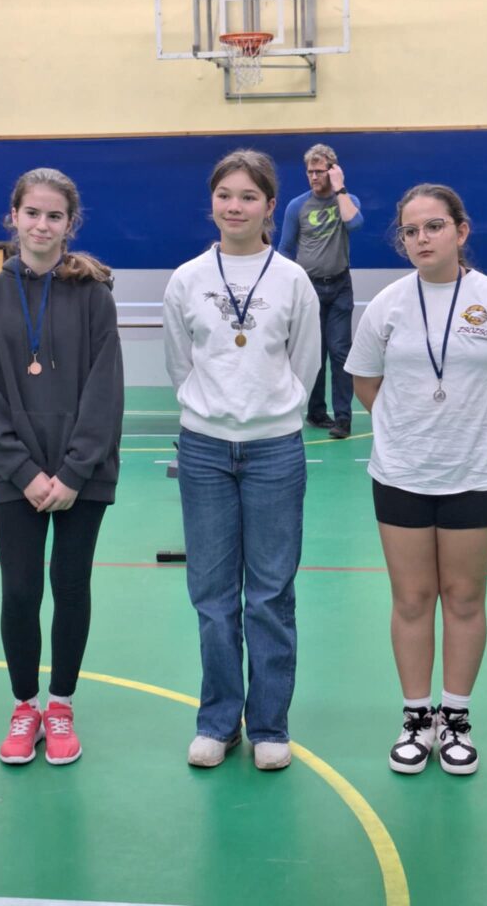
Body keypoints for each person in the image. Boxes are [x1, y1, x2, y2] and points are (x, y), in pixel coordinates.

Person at [345, 183, 487, 775]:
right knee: (411, 599)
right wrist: (404, 430)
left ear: (461, 231)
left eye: (434, 226)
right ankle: (416, 717)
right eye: (410, 231)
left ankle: (455, 717)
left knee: (463, 597)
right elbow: (364, 381)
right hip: (401, 475)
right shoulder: (387, 305)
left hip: (476, 478)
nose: (421, 239)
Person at [163, 149, 320, 771]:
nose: (235, 206)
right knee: (212, 594)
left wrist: (271, 413)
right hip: (204, 450)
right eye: (225, 195)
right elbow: (180, 362)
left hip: (275, 450)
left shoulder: (293, 280)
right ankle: (218, 721)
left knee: (271, 594)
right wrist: (212, 411)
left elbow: (305, 363)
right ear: (212, 202)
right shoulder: (186, 279)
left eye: (248, 196)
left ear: (269, 206)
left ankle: (270, 725)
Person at [0, 167, 124, 767]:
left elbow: (105, 390)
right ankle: (25, 705)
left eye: (54, 215)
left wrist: (75, 472)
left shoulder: (94, 296)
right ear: (14, 216)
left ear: (69, 224)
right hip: (17, 476)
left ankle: (60, 704)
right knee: (20, 589)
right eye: (31, 212)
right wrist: (24, 471)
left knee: (71, 585)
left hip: (84, 474)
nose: (41, 224)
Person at [278, 142, 364, 439]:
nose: (314, 177)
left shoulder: (347, 200)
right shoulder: (297, 206)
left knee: (340, 352)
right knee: (314, 352)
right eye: (310, 172)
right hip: (309, 288)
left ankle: (343, 419)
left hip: (339, 286)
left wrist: (340, 189)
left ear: (333, 171)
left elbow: (355, 223)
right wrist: (288, 287)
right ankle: (316, 412)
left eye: (320, 171)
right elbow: (285, 248)